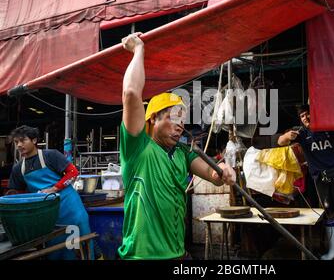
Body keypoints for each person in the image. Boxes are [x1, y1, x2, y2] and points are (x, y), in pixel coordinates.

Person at [118, 32, 236, 260]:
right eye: (173, 118)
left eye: (182, 120)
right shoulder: (138, 148)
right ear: (152, 119)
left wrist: (225, 172)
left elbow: (213, 174)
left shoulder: (183, 153)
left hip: (178, 254)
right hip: (142, 256)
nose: (180, 126)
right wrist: (138, 49)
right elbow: (131, 93)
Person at [278, 104, 334, 260]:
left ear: (315, 113)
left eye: (308, 114)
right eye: (302, 116)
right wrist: (287, 137)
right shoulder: (300, 133)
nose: (306, 118)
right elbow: (280, 141)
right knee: (329, 213)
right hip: (320, 177)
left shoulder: (327, 126)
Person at [7, 125, 93, 260]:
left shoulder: (51, 155)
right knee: (55, 247)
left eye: (23, 141)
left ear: (34, 140)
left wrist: (54, 188)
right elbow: (18, 192)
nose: (19, 145)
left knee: (81, 244)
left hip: (70, 207)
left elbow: (73, 172)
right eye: (16, 142)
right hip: (48, 216)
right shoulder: (18, 169)